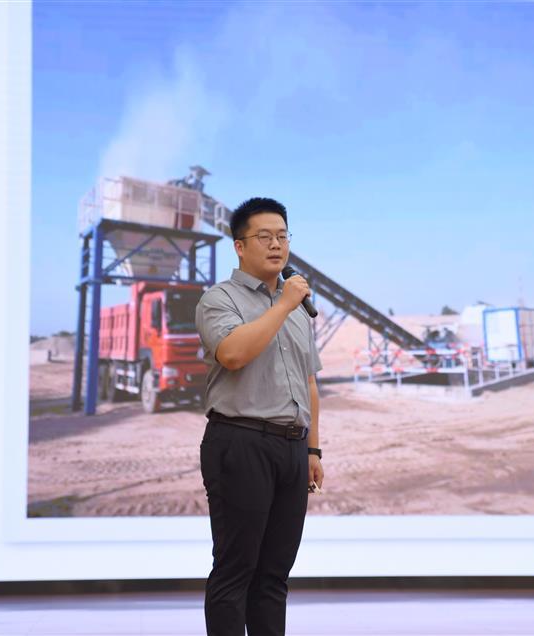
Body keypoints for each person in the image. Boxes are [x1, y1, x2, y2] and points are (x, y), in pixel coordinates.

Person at [195, 197, 324, 636]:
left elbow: (308, 383)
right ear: (239, 246)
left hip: (292, 449)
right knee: (236, 570)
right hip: (240, 441)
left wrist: (313, 450)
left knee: (273, 576)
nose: (276, 245)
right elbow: (233, 354)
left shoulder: (297, 309)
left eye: (283, 236)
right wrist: (283, 305)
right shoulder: (219, 299)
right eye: (265, 237)